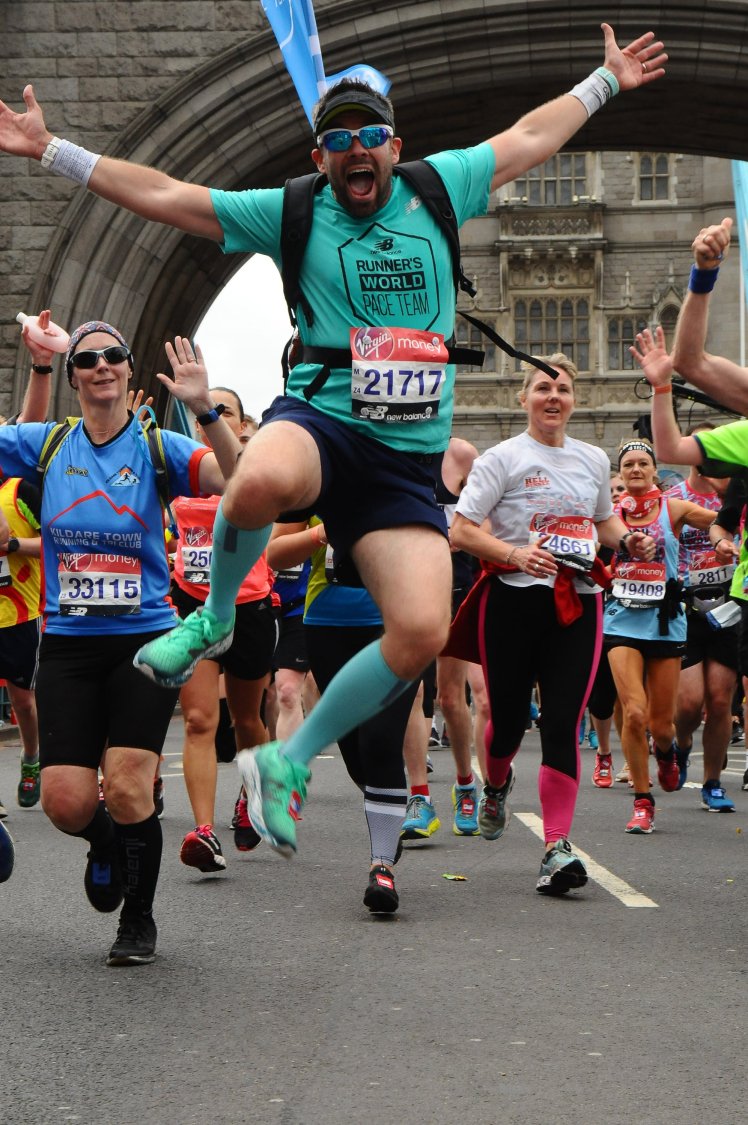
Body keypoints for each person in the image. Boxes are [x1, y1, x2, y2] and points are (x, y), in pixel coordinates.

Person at [0, 24, 667, 856]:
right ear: (320, 157)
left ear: (395, 146)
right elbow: (170, 195)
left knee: (421, 630)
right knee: (254, 482)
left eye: (370, 135)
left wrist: (604, 81)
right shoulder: (292, 209)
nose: (357, 150)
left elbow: (532, 135)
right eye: (338, 140)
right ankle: (211, 622)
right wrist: (52, 149)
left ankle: (288, 758)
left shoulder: (441, 186)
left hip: (404, 460)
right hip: (323, 419)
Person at [0, 320, 240, 965]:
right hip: (70, 643)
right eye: (87, 360)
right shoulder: (50, 445)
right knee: (65, 801)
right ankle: (105, 841)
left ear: (130, 369)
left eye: (113, 356)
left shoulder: (160, 447)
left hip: (144, 638)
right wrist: (38, 366)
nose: (101, 365)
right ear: (74, 376)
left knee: (130, 784)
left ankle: (138, 920)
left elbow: (240, 479)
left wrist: (205, 409)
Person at [448, 355, 655, 893]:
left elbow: (601, 520)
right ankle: (495, 786)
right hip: (512, 602)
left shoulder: (591, 458)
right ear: (524, 399)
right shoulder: (502, 458)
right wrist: (515, 554)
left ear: (574, 401)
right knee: (508, 722)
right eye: (542, 388)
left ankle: (556, 847)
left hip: (577, 603)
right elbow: (461, 532)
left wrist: (627, 540)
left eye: (562, 389)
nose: (553, 397)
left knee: (562, 722)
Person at [170, 387, 276, 873]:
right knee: (198, 720)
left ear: (240, 424)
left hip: (248, 607)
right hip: (193, 606)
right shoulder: (179, 470)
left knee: (247, 720)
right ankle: (204, 831)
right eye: (201, 412)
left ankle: (253, 796)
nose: (206, 417)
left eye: (221, 410)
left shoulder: (253, 468)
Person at [601, 431, 719, 833]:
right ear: (620, 473)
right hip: (621, 619)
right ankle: (642, 801)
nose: (635, 469)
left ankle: (666, 753)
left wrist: (724, 537)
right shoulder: (610, 514)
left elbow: (723, 521)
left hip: (665, 621)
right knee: (634, 712)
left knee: (661, 725)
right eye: (628, 465)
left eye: (643, 463)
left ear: (654, 470)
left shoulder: (674, 508)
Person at [663, 426, 737, 810]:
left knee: (721, 701)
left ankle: (713, 783)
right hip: (687, 606)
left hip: (729, 605)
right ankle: (683, 741)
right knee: (690, 704)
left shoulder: (737, 494)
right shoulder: (674, 498)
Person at [0, 485, 42, 809]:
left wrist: (11, 545)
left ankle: (31, 758)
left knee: (23, 702)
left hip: (20, 614)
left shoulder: (20, 490)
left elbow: (52, 542)